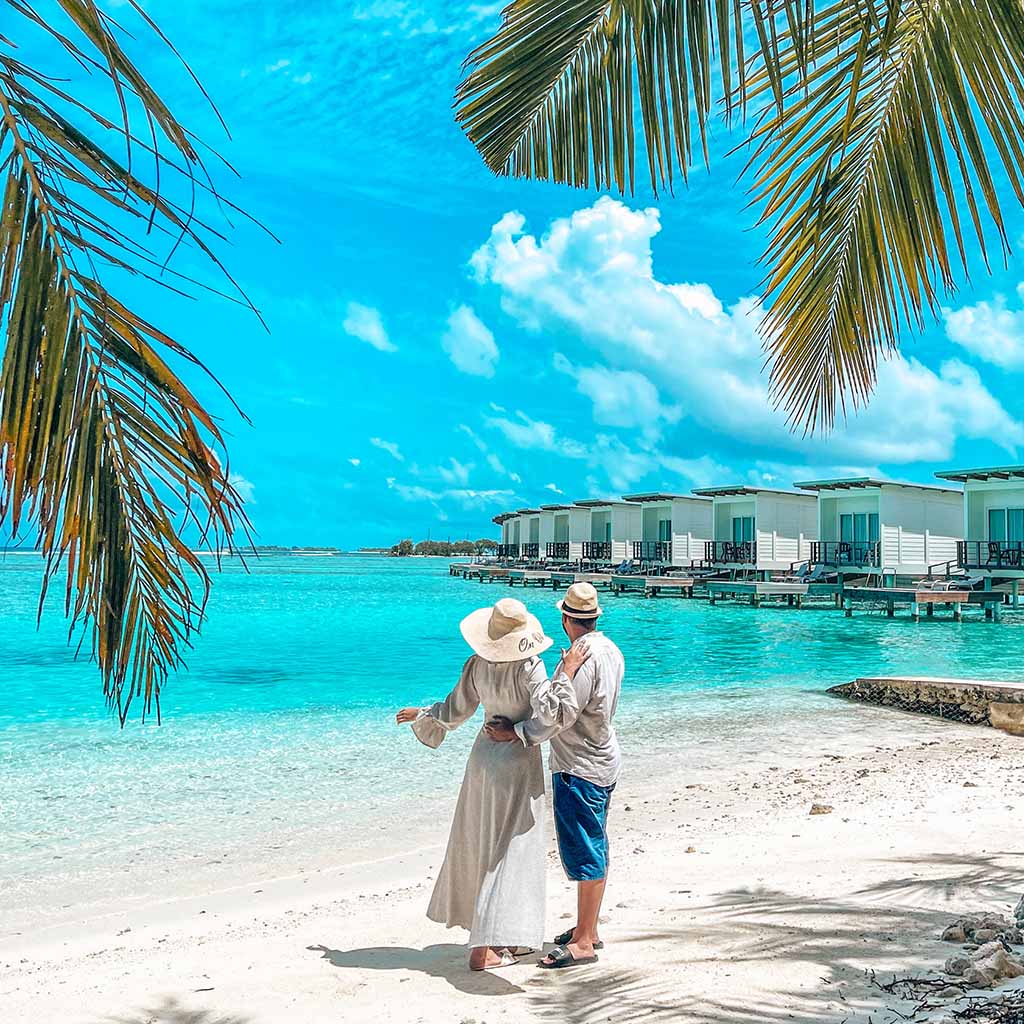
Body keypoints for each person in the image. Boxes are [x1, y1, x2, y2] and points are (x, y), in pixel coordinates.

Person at [395, 597, 588, 971]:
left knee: (486, 845)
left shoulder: (478, 664)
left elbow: (455, 710)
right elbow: (553, 717)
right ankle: (483, 949)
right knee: (512, 851)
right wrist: (563, 675)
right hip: (514, 762)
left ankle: (502, 940)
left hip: (482, 759)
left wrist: (423, 714)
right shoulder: (530, 666)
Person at [485, 581, 624, 970]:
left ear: (565, 619)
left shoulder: (582, 659)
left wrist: (517, 733)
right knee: (593, 842)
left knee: (585, 849)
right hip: (603, 756)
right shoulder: (610, 649)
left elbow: (558, 715)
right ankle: (588, 928)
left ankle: (583, 942)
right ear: (594, 617)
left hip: (580, 764)